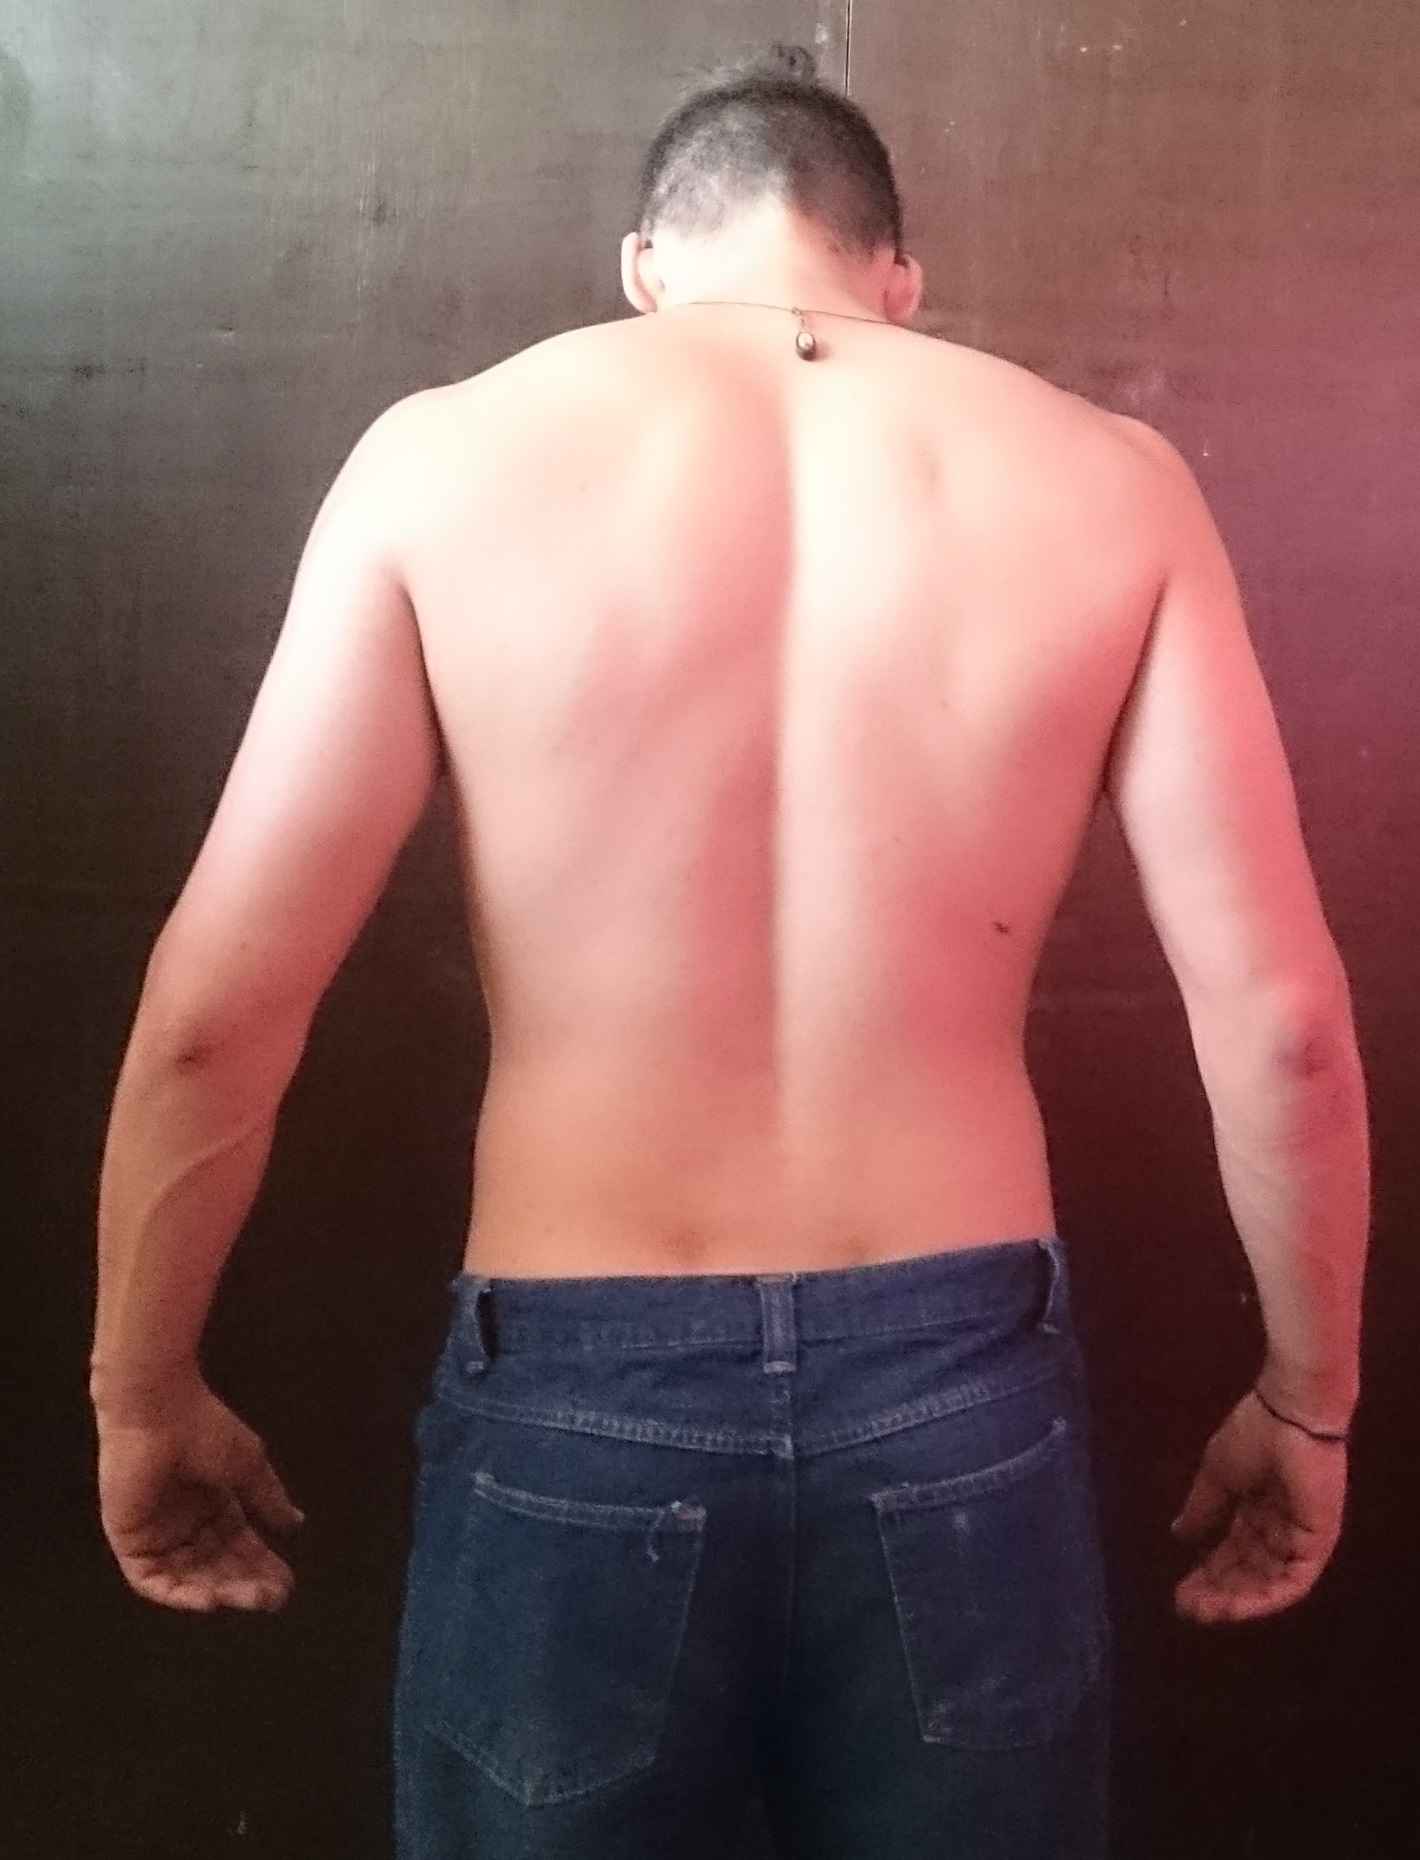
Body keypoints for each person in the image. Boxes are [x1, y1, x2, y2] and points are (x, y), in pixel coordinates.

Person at [91, 41, 1370, 1860]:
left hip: (582, 1384)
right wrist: (1309, 1407)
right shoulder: (1116, 482)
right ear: (898, 278)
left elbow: (216, 1016)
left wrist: (140, 1393)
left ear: (643, 267)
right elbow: (1285, 1026)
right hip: (957, 1383)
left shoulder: (438, 463)